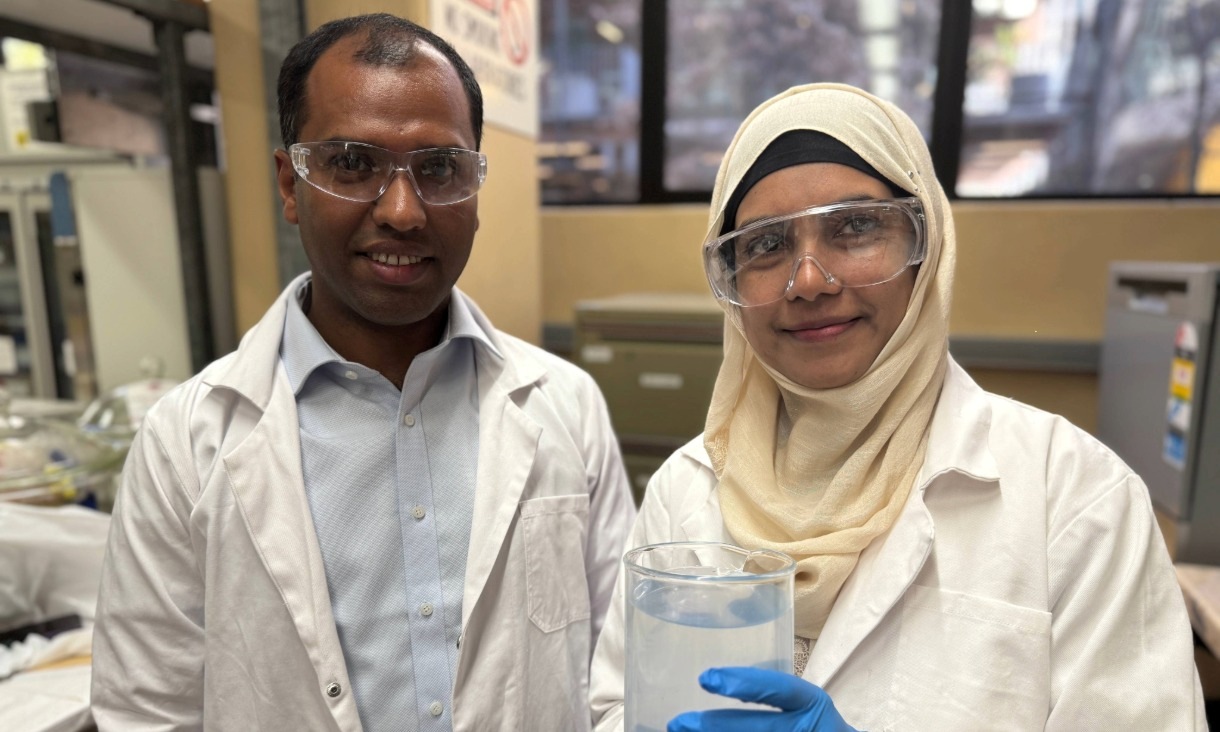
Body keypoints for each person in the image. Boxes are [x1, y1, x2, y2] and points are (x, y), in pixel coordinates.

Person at [589, 83, 1205, 730]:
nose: (809, 282)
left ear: (927, 245)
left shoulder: (1075, 497)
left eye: (855, 227)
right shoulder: (685, 490)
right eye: (766, 246)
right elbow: (614, 706)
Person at [91, 13, 635, 732]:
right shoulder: (185, 442)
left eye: (439, 169)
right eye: (353, 163)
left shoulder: (566, 405)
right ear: (291, 184)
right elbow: (146, 714)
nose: (404, 211)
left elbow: (621, 670)